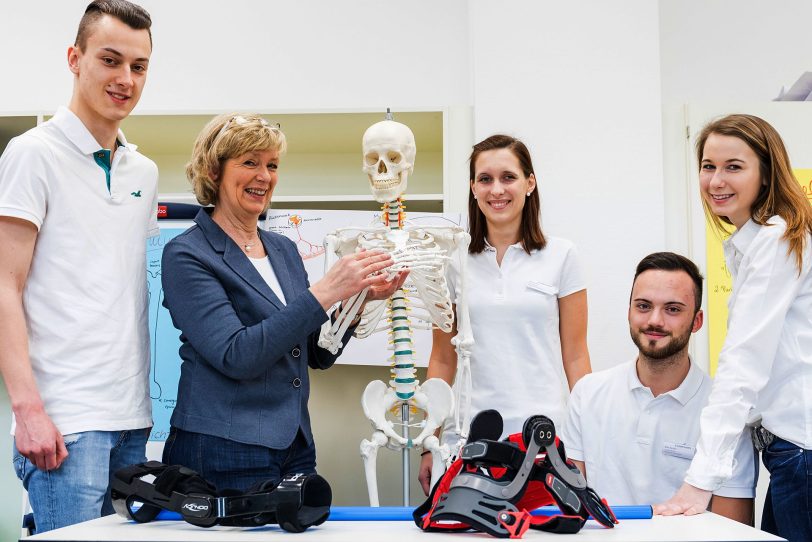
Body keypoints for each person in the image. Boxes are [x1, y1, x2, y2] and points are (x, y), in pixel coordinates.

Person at [160, 113, 407, 491]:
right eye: (250, 163)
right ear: (213, 171)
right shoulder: (187, 254)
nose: (265, 176)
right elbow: (236, 354)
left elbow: (313, 354)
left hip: (294, 446)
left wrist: (356, 300)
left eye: (272, 165)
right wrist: (326, 291)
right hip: (223, 448)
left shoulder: (282, 249)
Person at [0, 0, 156, 533]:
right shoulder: (31, 154)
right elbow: (4, 284)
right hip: (67, 422)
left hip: (133, 416)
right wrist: (28, 411)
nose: (125, 79)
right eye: (110, 60)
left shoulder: (143, 170)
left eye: (138, 67)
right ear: (75, 57)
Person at [654, 114, 812, 541]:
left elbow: (744, 361)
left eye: (733, 167)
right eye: (708, 166)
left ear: (766, 172)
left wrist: (700, 481)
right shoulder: (756, 242)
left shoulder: (777, 241)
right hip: (790, 450)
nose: (716, 180)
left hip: (801, 452)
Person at [418, 134, 591, 494]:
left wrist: (584, 443)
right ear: (473, 188)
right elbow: (442, 359)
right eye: (485, 179)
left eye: (508, 177)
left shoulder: (562, 256)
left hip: (544, 437)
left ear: (529, 183)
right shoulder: (451, 262)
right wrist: (428, 442)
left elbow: (576, 357)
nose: (497, 189)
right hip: (466, 437)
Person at [561, 252, 754, 524]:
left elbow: (734, 531)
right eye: (643, 306)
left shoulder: (727, 413)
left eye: (672, 309)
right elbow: (571, 512)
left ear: (697, 321)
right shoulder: (587, 394)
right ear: (628, 312)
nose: (655, 321)